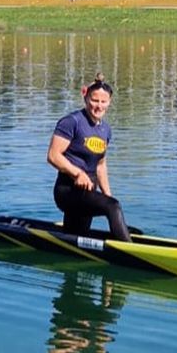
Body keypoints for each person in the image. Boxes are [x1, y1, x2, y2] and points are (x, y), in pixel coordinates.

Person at [47, 73, 131, 241]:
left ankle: (67, 245)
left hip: (88, 192)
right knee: (113, 207)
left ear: (109, 102)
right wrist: (77, 173)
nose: (98, 106)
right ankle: (133, 253)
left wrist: (107, 194)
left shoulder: (106, 130)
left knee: (75, 238)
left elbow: (100, 166)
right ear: (85, 98)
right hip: (68, 191)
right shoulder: (72, 122)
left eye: (103, 102)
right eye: (94, 100)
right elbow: (53, 155)